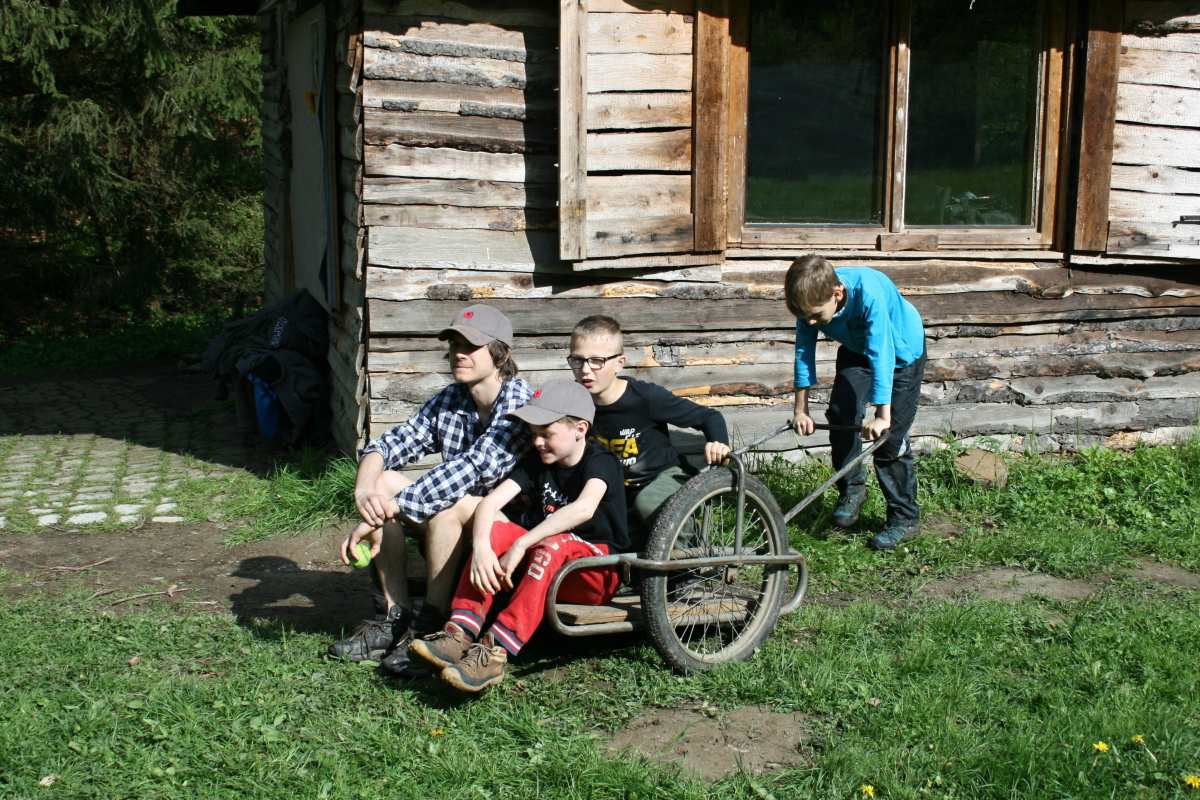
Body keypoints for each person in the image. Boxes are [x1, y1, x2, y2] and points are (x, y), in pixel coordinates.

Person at [329, 304, 532, 675]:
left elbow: (472, 468)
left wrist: (390, 509)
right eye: (454, 344)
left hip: (509, 531)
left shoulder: (519, 401)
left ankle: (433, 624)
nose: (459, 354)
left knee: (448, 503)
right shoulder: (452, 398)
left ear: (500, 354)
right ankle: (394, 616)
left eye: (471, 346)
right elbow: (392, 443)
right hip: (459, 524)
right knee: (383, 482)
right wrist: (364, 490)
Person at [409, 379, 628, 692]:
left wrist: (523, 542)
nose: (537, 442)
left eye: (546, 433)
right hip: (546, 563)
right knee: (498, 530)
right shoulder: (537, 462)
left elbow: (583, 509)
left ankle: (495, 650)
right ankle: (459, 632)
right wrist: (482, 547)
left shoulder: (600, 461)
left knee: (553, 543)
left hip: (596, 571)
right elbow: (489, 504)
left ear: (580, 429)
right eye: (533, 433)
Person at [785, 254, 927, 551]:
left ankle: (904, 518)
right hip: (856, 349)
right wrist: (800, 409)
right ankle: (853, 490)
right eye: (805, 317)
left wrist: (882, 415)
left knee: (889, 440)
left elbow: (882, 353)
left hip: (901, 352)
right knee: (842, 413)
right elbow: (803, 351)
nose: (810, 323)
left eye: (816, 316)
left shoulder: (868, 294)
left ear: (837, 294)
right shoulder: (811, 299)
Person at [567, 315, 730, 528]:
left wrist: (719, 444)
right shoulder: (574, 403)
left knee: (647, 502)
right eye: (578, 360)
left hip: (662, 479)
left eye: (597, 361)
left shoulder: (645, 398)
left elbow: (709, 417)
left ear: (619, 363)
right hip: (613, 487)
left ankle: (690, 541)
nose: (585, 370)